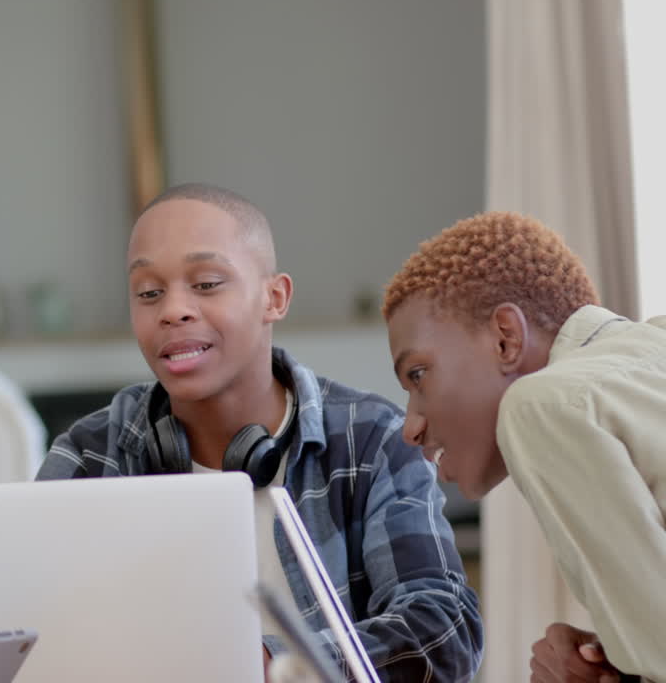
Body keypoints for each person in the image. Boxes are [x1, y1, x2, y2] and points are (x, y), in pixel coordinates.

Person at [36, 183, 483, 682]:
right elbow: (30, 633)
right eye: (148, 292)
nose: (173, 310)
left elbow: (443, 632)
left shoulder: (372, 440)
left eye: (206, 284)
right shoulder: (90, 454)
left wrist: (273, 665)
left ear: (274, 298)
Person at [383, 211, 666, 683]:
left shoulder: (542, 404)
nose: (409, 427)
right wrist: (615, 655)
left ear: (505, 338)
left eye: (417, 375)